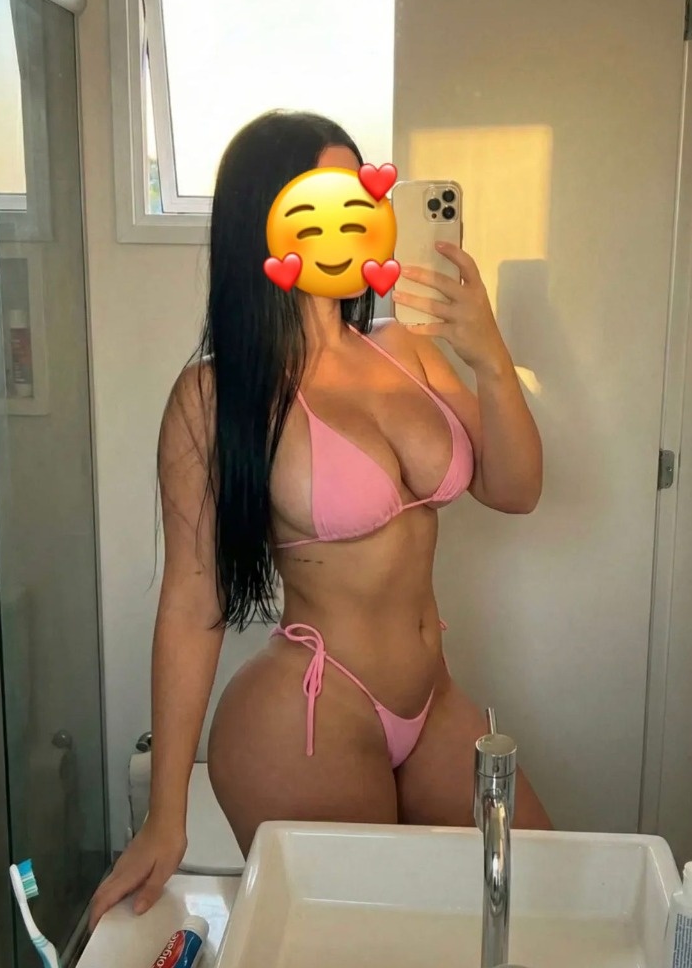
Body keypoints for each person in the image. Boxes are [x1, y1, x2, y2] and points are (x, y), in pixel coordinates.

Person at [89, 110, 551, 930]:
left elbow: (515, 489)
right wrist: (166, 814)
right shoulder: (214, 396)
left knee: (535, 903)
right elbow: (192, 603)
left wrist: (486, 355)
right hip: (306, 717)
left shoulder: (404, 349)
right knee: (359, 945)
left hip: (433, 701)